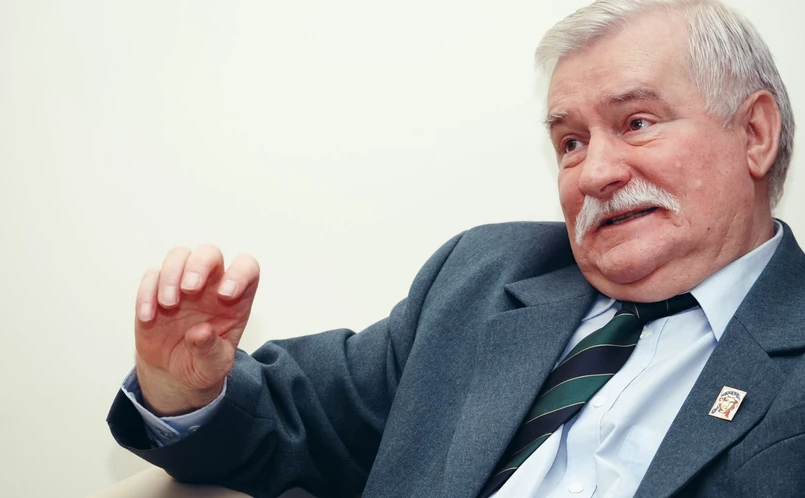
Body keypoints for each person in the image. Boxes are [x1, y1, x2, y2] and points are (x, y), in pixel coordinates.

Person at [108, 0, 803, 496]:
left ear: (754, 134)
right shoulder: (483, 277)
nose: (594, 172)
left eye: (637, 122)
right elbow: (300, 421)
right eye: (570, 141)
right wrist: (185, 391)